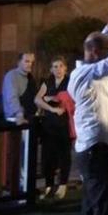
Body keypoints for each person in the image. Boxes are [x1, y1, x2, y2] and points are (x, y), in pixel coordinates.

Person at [68, 0, 108, 215]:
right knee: (107, 206)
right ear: (94, 53)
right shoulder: (83, 74)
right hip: (96, 152)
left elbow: (106, 36)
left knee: (94, 205)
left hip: (101, 150)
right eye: (107, 49)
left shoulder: (93, 63)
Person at [35, 56, 72, 200]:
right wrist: (51, 107)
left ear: (65, 68)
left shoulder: (69, 81)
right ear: (51, 69)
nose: (58, 69)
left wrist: (52, 99)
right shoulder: (47, 81)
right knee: (47, 156)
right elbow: (37, 99)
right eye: (55, 67)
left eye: (61, 66)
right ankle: (49, 185)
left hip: (64, 123)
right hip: (49, 124)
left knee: (64, 155)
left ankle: (63, 185)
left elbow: (71, 99)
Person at [1, 52, 37, 124]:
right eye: (27, 61)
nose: (30, 64)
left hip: (28, 117)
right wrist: (19, 114)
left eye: (31, 62)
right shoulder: (12, 76)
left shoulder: (30, 78)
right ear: (19, 62)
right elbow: (11, 97)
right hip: (15, 118)